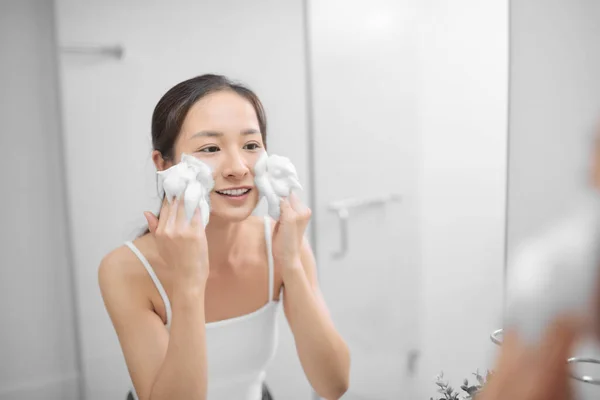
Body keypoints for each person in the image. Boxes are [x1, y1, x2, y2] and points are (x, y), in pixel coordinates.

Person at [98, 74, 351, 400]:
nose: (238, 167)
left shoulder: (283, 242)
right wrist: (189, 283)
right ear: (164, 164)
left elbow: (334, 384)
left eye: (250, 145)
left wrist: (290, 263)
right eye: (210, 148)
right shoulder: (124, 269)